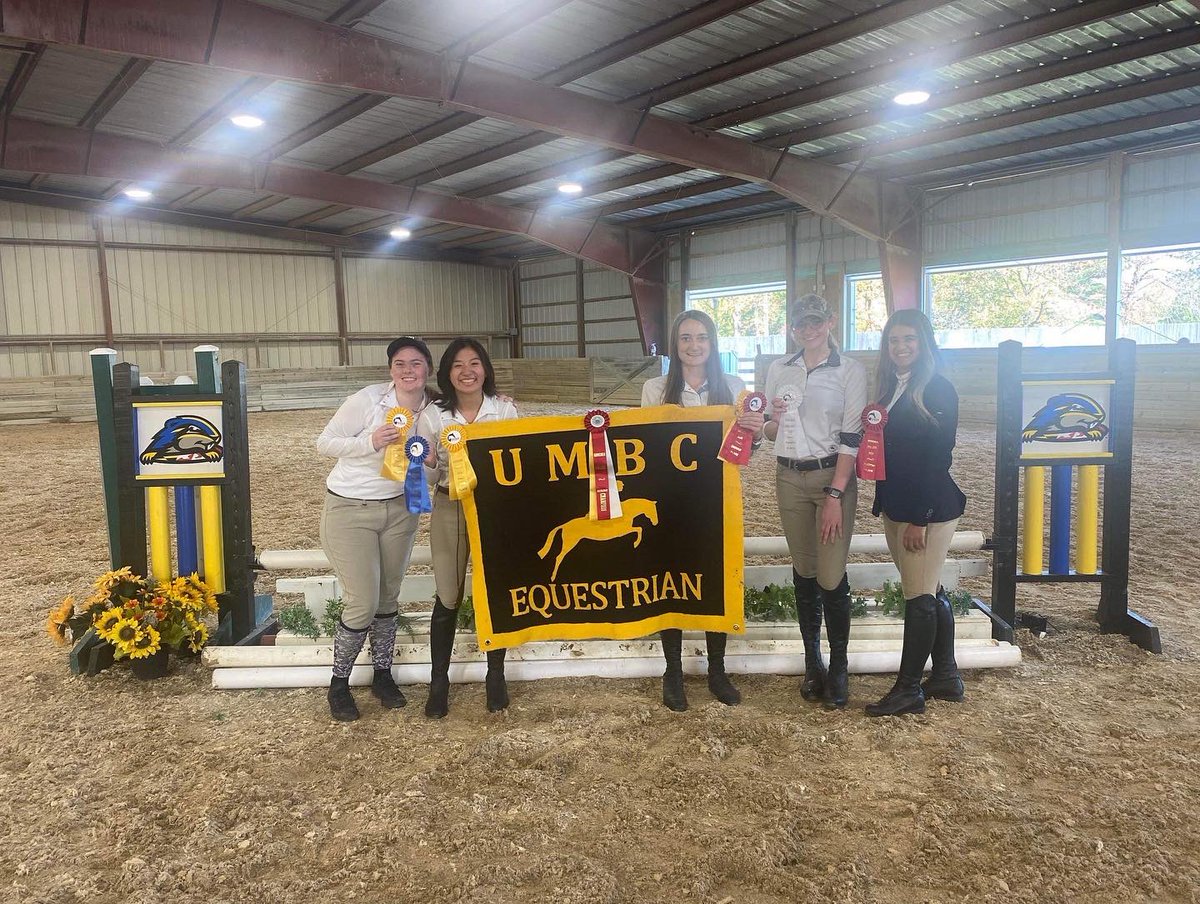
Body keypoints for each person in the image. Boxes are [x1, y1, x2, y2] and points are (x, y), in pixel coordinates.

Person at [640, 309, 765, 711]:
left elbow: (748, 448)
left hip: (718, 497)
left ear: (713, 343)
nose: (694, 346)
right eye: (685, 339)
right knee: (669, 580)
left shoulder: (734, 386)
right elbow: (642, 447)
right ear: (675, 346)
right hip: (671, 500)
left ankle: (716, 670)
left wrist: (756, 432)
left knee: (716, 579)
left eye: (702, 338)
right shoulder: (654, 389)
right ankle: (672, 672)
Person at [316, 336, 442, 722]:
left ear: (427, 369)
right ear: (391, 370)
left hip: (401, 511)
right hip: (350, 508)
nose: (408, 370)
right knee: (363, 600)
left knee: (388, 596)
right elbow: (324, 443)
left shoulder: (436, 411)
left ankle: (382, 675)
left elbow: (435, 473)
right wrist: (370, 441)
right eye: (400, 363)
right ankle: (339, 683)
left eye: (416, 363)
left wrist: (434, 461)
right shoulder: (367, 401)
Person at [763, 294, 867, 710]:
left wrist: (836, 493)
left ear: (830, 323)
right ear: (792, 328)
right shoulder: (778, 369)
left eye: (815, 322)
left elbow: (852, 434)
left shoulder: (849, 370)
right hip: (788, 475)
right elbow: (768, 431)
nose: (808, 330)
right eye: (800, 324)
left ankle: (839, 665)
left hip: (831, 476)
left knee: (830, 572)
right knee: (804, 569)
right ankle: (813, 662)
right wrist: (770, 420)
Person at [865, 309, 967, 717]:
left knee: (919, 596)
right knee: (930, 587)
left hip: (927, 509)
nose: (901, 347)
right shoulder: (890, 387)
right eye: (894, 340)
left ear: (923, 343)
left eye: (908, 339)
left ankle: (908, 689)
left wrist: (920, 518)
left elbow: (937, 457)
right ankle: (945, 674)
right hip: (896, 504)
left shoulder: (938, 390)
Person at [424, 338, 519, 719]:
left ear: (485, 369)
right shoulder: (433, 416)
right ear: (448, 373)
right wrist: (428, 460)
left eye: (474, 363)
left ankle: (495, 674)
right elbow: (427, 474)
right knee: (448, 594)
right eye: (458, 365)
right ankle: (438, 682)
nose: (467, 371)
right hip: (449, 505)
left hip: (495, 510)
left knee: (492, 590)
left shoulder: (506, 410)